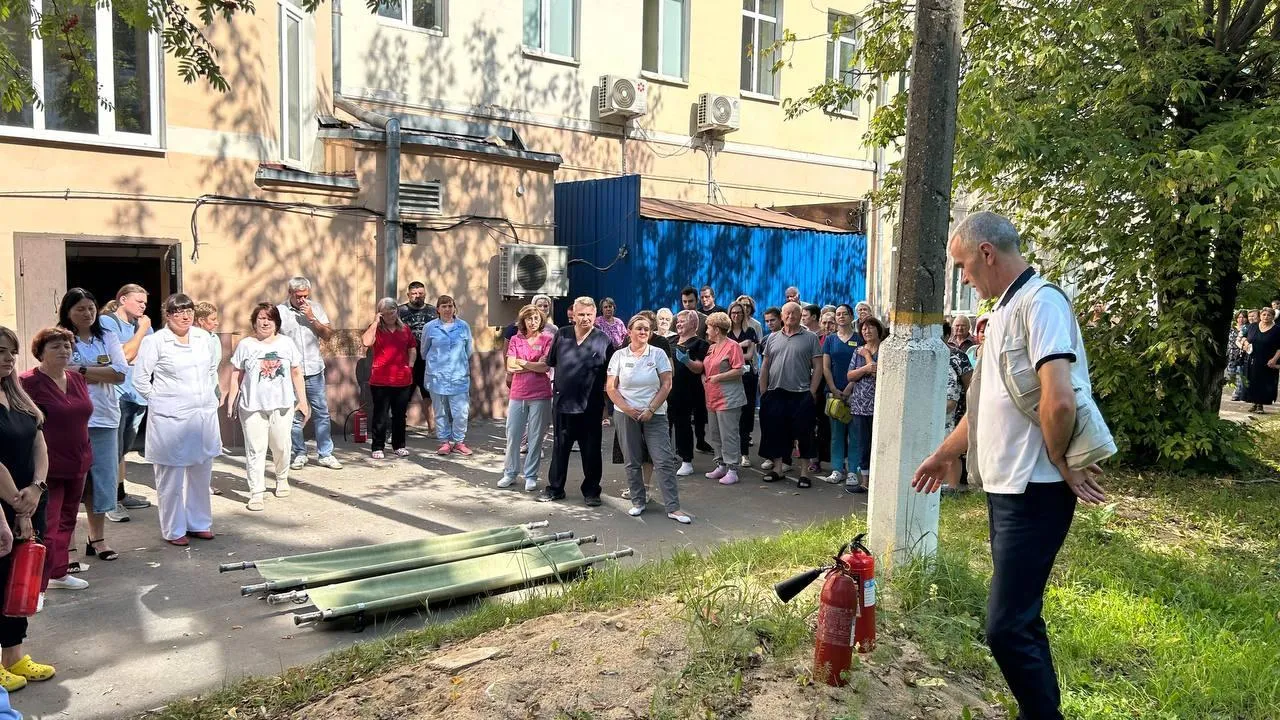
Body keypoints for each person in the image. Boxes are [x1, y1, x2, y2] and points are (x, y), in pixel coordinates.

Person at [912, 211, 1107, 720]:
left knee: (1004, 626)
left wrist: (1063, 460)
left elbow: (1059, 401)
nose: (962, 277)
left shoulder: (1041, 304)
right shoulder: (1004, 311)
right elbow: (985, 406)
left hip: (1036, 489)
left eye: (962, 265)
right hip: (1008, 490)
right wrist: (944, 452)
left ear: (986, 253)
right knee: (1021, 617)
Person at [133, 294, 222, 546]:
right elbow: (140, 379)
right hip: (170, 420)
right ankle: (174, 529)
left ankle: (199, 523)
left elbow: (211, 370)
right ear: (168, 315)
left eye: (189, 311)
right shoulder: (155, 341)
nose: (185, 316)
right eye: (178, 312)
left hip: (202, 415)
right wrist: (161, 401)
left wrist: (210, 398)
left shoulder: (204, 338)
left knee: (201, 473)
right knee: (171, 478)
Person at [0, 326, 57, 692]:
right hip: (6, 503)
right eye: (1, 351)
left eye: (11, 352)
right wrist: (17, 504)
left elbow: (40, 443)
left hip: (29, 498)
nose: (8, 358)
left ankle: (15, 656)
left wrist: (36, 487)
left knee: (21, 579)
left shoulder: (18, 398)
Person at [20, 328, 93, 593]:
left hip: (79, 460)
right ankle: (35, 587)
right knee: (46, 527)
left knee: (68, 521)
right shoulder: (27, 382)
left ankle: (58, 573)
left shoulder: (77, 379)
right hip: (47, 466)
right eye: (56, 347)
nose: (64, 350)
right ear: (40, 352)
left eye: (67, 346)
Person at [59, 288, 125, 563]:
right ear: (67, 312)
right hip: (71, 420)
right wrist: (100, 373)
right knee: (72, 481)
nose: (87, 314)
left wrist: (82, 370)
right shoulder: (61, 338)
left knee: (102, 481)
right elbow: (59, 374)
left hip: (105, 418)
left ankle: (97, 539)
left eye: (90, 308)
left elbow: (120, 374)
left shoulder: (107, 336)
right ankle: (68, 545)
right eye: (79, 309)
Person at [606, 314, 692, 523]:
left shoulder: (659, 354)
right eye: (639, 328)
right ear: (629, 332)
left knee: (663, 460)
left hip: (655, 413)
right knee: (632, 460)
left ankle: (674, 507)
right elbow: (610, 387)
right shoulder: (619, 356)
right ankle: (638, 502)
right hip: (626, 414)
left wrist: (651, 409)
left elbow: (666, 384)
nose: (643, 332)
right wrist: (627, 409)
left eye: (647, 329)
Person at [227, 304, 310, 512]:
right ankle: (256, 492)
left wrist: (303, 400)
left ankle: (282, 478)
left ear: (276, 323)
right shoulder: (246, 345)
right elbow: (237, 373)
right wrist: (232, 400)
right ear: (254, 322)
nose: (264, 322)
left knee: (281, 446)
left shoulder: (287, 343)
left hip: (282, 404)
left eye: (269, 319)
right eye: (260, 318)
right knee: (255, 449)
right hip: (252, 405)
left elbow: (296, 372)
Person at [539, 297, 614, 506]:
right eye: (581, 314)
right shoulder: (562, 335)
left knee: (591, 450)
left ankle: (591, 491)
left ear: (594, 316)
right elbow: (551, 362)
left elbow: (611, 372)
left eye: (589, 315)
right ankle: (555, 488)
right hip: (563, 404)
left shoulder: (603, 340)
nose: (585, 319)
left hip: (591, 406)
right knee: (560, 448)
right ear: (573, 315)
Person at [98, 283, 154, 522]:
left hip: (138, 395)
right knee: (112, 451)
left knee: (123, 451)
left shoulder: (141, 326)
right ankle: (108, 503)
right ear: (123, 300)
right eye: (139, 301)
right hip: (117, 394)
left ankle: (120, 495)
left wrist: (132, 346)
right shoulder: (108, 322)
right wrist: (141, 332)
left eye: (145, 302)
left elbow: (147, 358)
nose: (144, 306)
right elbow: (126, 356)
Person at [278, 278, 341, 471]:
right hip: (291, 371)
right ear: (290, 293)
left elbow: (328, 335)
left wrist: (312, 318)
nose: (302, 300)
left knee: (321, 411)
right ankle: (299, 453)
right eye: (298, 296)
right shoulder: (279, 311)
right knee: (295, 413)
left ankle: (325, 453)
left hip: (314, 368)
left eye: (306, 296)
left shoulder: (316, 308)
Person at [758, 302, 823, 487]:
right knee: (776, 432)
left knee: (805, 434)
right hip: (775, 393)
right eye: (787, 313)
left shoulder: (810, 338)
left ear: (800, 314)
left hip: (801, 393)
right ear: (782, 316)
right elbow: (765, 364)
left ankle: (804, 473)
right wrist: (764, 390)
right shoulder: (772, 338)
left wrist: (812, 391)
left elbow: (818, 366)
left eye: (794, 312)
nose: (790, 316)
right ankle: (778, 469)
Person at [501, 304, 554, 491]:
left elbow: (545, 367)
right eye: (529, 319)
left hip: (541, 394)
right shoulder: (516, 339)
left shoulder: (548, 339)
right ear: (523, 321)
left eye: (536, 319)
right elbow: (510, 366)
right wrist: (532, 364)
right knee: (513, 435)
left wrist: (522, 363)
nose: (533, 322)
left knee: (536, 437)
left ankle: (531, 475)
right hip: (518, 393)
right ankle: (510, 473)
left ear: (541, 321)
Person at [362, 298, 417, 459]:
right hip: (380, 380)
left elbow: (412, 348)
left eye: (393, 311)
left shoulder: (405, 329)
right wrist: (375, 322)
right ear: (381, 314)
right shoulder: (376, 329)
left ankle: (399, 445)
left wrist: (410, 366)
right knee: (381, 414)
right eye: (386, 313)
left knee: (399, 415)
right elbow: (366, 342)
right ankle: (377, 446)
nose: (390, 315)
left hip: (402, 379)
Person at [420, 295, 474, 455]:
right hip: (437, 377)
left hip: (458, 377)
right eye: (444, 306)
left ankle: (459, 441)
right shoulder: (430, 327)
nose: (447, 309)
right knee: (441, 411)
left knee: (461, 412)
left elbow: (468, 350)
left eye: (450, 306)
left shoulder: (463, 326)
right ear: (438, 309)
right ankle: (444, 442)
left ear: (454, 308)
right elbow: (424, 351)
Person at [700, 312, 746, 485]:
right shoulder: (712, 347)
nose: (707, 331)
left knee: (729, 434)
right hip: (712, 396)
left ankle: (732, 469)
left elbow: (739, 369)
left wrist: (718, 377)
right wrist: (704, 377)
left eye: (709, 327)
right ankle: (721, 465)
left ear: (717, 329)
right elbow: (707, 368)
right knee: (715, 433)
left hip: (729, 398)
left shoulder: (732, 346)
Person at [822, 304, 860, 487]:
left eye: (845, 314)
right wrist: (833, 388)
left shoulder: (859, 339)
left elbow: (861, 367)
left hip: (856, 393)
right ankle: (837, 468)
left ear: (851, 316)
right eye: (838, 314)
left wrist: (849, 388)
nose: (841, 317)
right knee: (836, 434)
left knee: (854, 433)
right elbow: (825, 367)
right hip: (834, 393)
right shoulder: (830, 340)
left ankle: (853, 470)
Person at [844, 317, 885, 493]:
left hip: (879, 404)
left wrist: (868, 357)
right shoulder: (857, 351)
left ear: (878, 329)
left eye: (870, 328)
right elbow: (850, 375)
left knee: (880, 444)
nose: (867, 331)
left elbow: (878, 373)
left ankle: (880, 482)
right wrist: (865, 369)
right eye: (864, 329)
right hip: (860, 404)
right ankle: (865, 481)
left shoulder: (885, 349)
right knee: (863, 443)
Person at [669, 310, 711, 476]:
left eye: (682, 321)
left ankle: (686, 460)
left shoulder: (700, 344)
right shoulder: (670, 340)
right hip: (667, 389)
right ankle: (666, 456)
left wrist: (687, 361)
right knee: (663, 425)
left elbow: (700, 367)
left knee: (683, 424)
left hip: (687, 391)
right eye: (677, 321)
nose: (678, 324)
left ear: (694, 324)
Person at [398, 281, 439, 433]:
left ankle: (432, 428)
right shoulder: (399, 311)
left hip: (427, 360)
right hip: (406, 359)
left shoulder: (433, 311)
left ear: (425, 294)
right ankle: (397, 429)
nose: (417, 296)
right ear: (408, 295)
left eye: (420, 293)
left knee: (427, 393)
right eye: (414, 293)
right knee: (403, 395)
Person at [940, 320, 974, 493]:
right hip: (933, 411)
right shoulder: (924, 354)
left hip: (957, 411)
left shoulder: (958, 356)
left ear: (947, 336)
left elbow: (971, 384)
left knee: (952, 450)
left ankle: (952, 489)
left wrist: (970, 409)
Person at [727, 301, 759, 468]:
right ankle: (731, 454)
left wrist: (734, 350)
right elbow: (725, 355)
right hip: (730, 379)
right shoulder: (726, 332)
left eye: (739, 312)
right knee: (731, 416)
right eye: (733, 312)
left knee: (746, 415)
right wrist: (740, 346)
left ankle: (744, 454)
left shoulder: (750, 331)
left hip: (748, 378)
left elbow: (749, 356)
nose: (736, 315)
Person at [1243, 307, 1280, 413]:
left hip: (1268, 360)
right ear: (1260, 316)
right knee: (1253, 380)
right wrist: (1245, 344)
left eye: (1269, 315)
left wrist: (1274, 359)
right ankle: (1254, 403)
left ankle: (1260, 405)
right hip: (1252, 358)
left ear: (1273, 317)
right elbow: (1244, 337)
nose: (1266, 317)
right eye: (1264, 315)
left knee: (1264, 382)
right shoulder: (1252, 326)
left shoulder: (1277, 330)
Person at [1228, 310, 1249, 401]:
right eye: (1239, 317)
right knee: (1231, 373)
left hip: (1242, 354)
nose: (1241, 319)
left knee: (1240, 374)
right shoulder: (1232, 328)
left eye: (1243, 317)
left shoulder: (1247, 328)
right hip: (1231, 354)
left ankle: (1237, 393)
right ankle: (1237, 389)